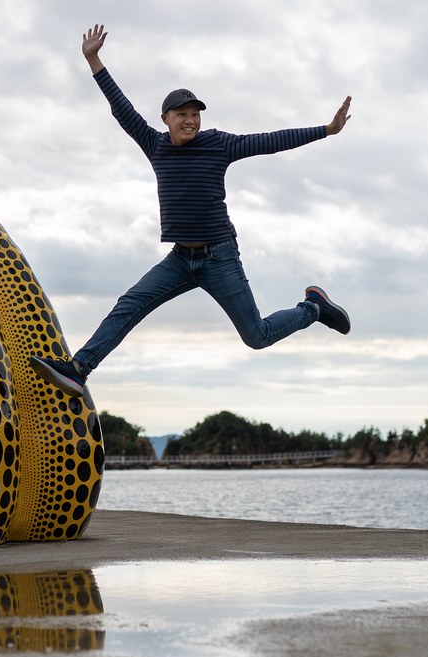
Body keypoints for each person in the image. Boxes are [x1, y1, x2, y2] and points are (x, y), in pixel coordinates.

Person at [30, 23, 353, 398]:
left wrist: (326, 130)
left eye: (194, 113)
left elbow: (270, 141)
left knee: (257, 336)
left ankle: (313, 307)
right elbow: (121, 109)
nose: (190, 120)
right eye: (180, 113)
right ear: (165, 119)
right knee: (129, 305)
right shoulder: (155, 145)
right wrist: (94, 60)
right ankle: (79, 369)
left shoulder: (218, 144)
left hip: (220, 257)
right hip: (180, 259)